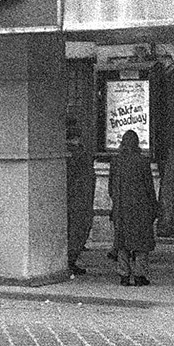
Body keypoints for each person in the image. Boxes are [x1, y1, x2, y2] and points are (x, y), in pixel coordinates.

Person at [108, 130, 159, 286]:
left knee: (122, 242)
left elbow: (111, 187)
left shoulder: (116, 162)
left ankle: (124, 275)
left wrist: (116, 202)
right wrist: (154, 206)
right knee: (141, 242)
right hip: (140, 207)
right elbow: (149, 187)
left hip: (122, 207)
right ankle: (139, 275)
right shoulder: (142, 162)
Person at [65, 117, 95, 276]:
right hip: (80, 199)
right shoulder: (80, 155)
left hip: (72, 199)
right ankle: (70, 260)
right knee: (78, 231)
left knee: (72, 231)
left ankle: (70, 260)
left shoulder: (67, 154)